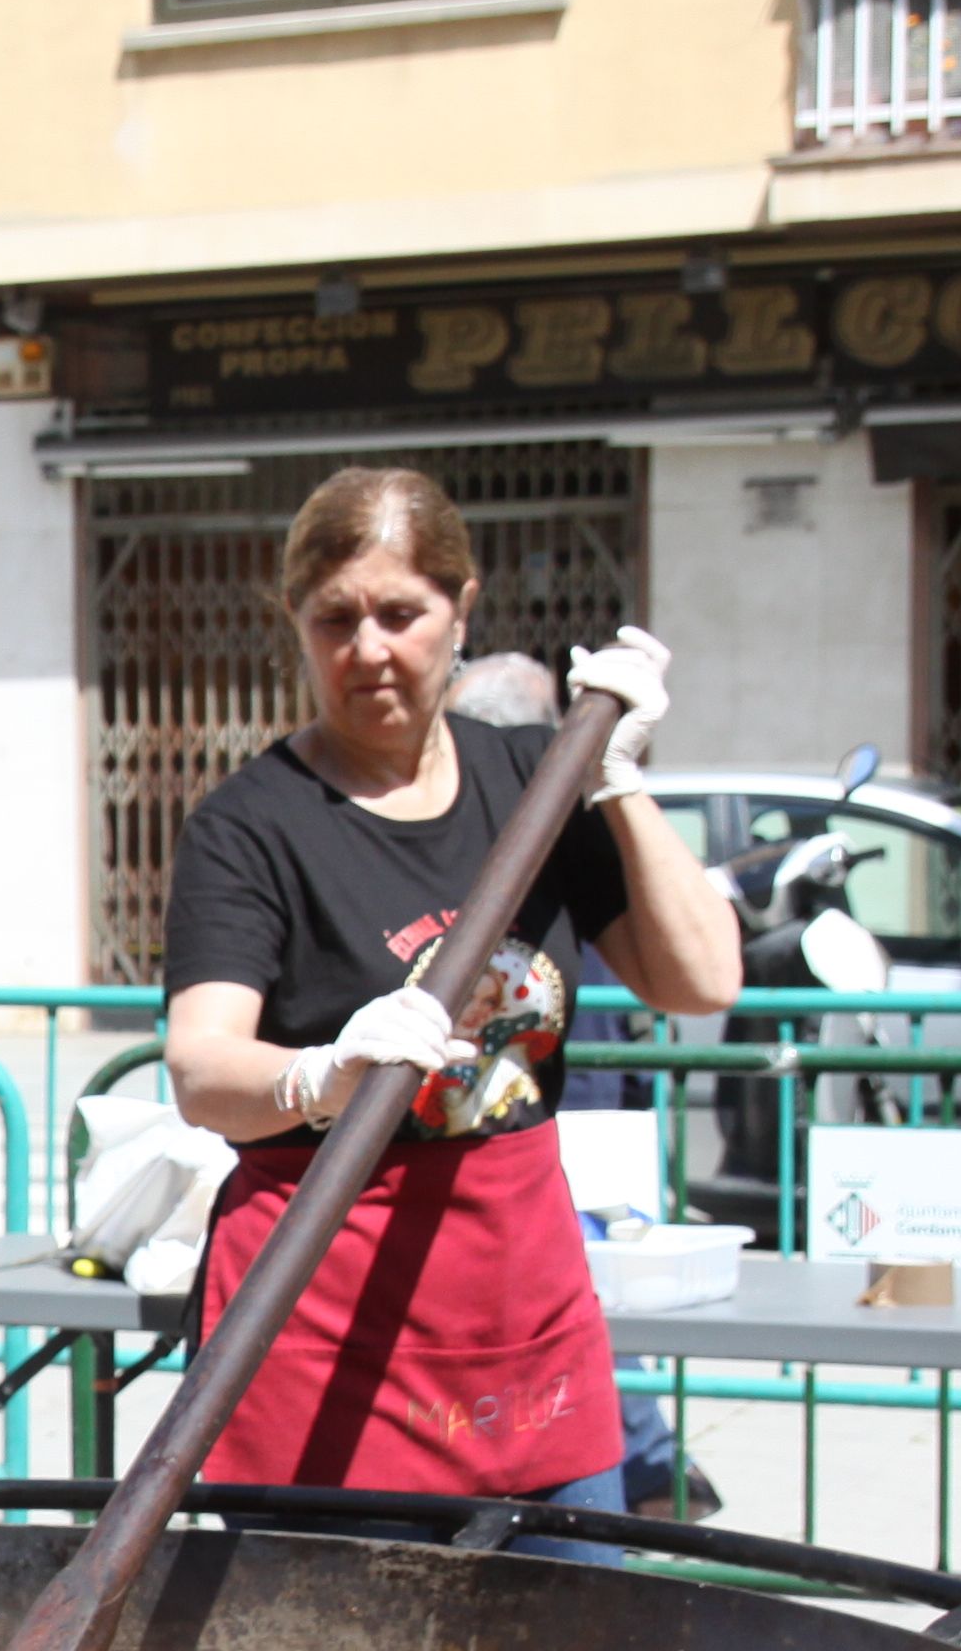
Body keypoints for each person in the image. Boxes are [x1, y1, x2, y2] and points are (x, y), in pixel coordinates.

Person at [159, 468, 741, 1532]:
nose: (369, 649)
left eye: (400, 614)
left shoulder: (536, 780)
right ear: (293, 620)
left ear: (462, 608)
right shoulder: (251, 827)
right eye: (335, 619)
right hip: (322, 1330)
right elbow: (202, 1069)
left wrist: (617, 783)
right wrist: (315, 1074)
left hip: (520, 1322)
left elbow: (702, 977)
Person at [440, 645, 720, 1520]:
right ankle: (652, 1462)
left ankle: (649, 1463)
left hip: (562, 1148)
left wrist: (617, 781)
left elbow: (704, 975)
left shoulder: (571, 835)